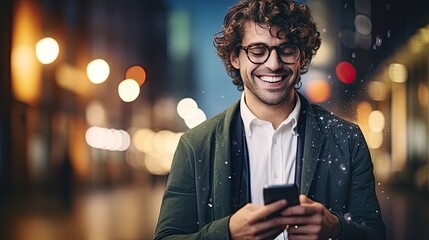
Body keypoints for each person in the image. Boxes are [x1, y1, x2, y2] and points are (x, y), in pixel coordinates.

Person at [154, 0, 386, 239]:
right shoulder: (195, 145)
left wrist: (335, 229)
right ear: (235, 57)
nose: (273, 64)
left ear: (302, 57)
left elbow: (375, 234)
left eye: (286, 50)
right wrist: (227, 233)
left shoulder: (347, 139)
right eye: (257, 51)